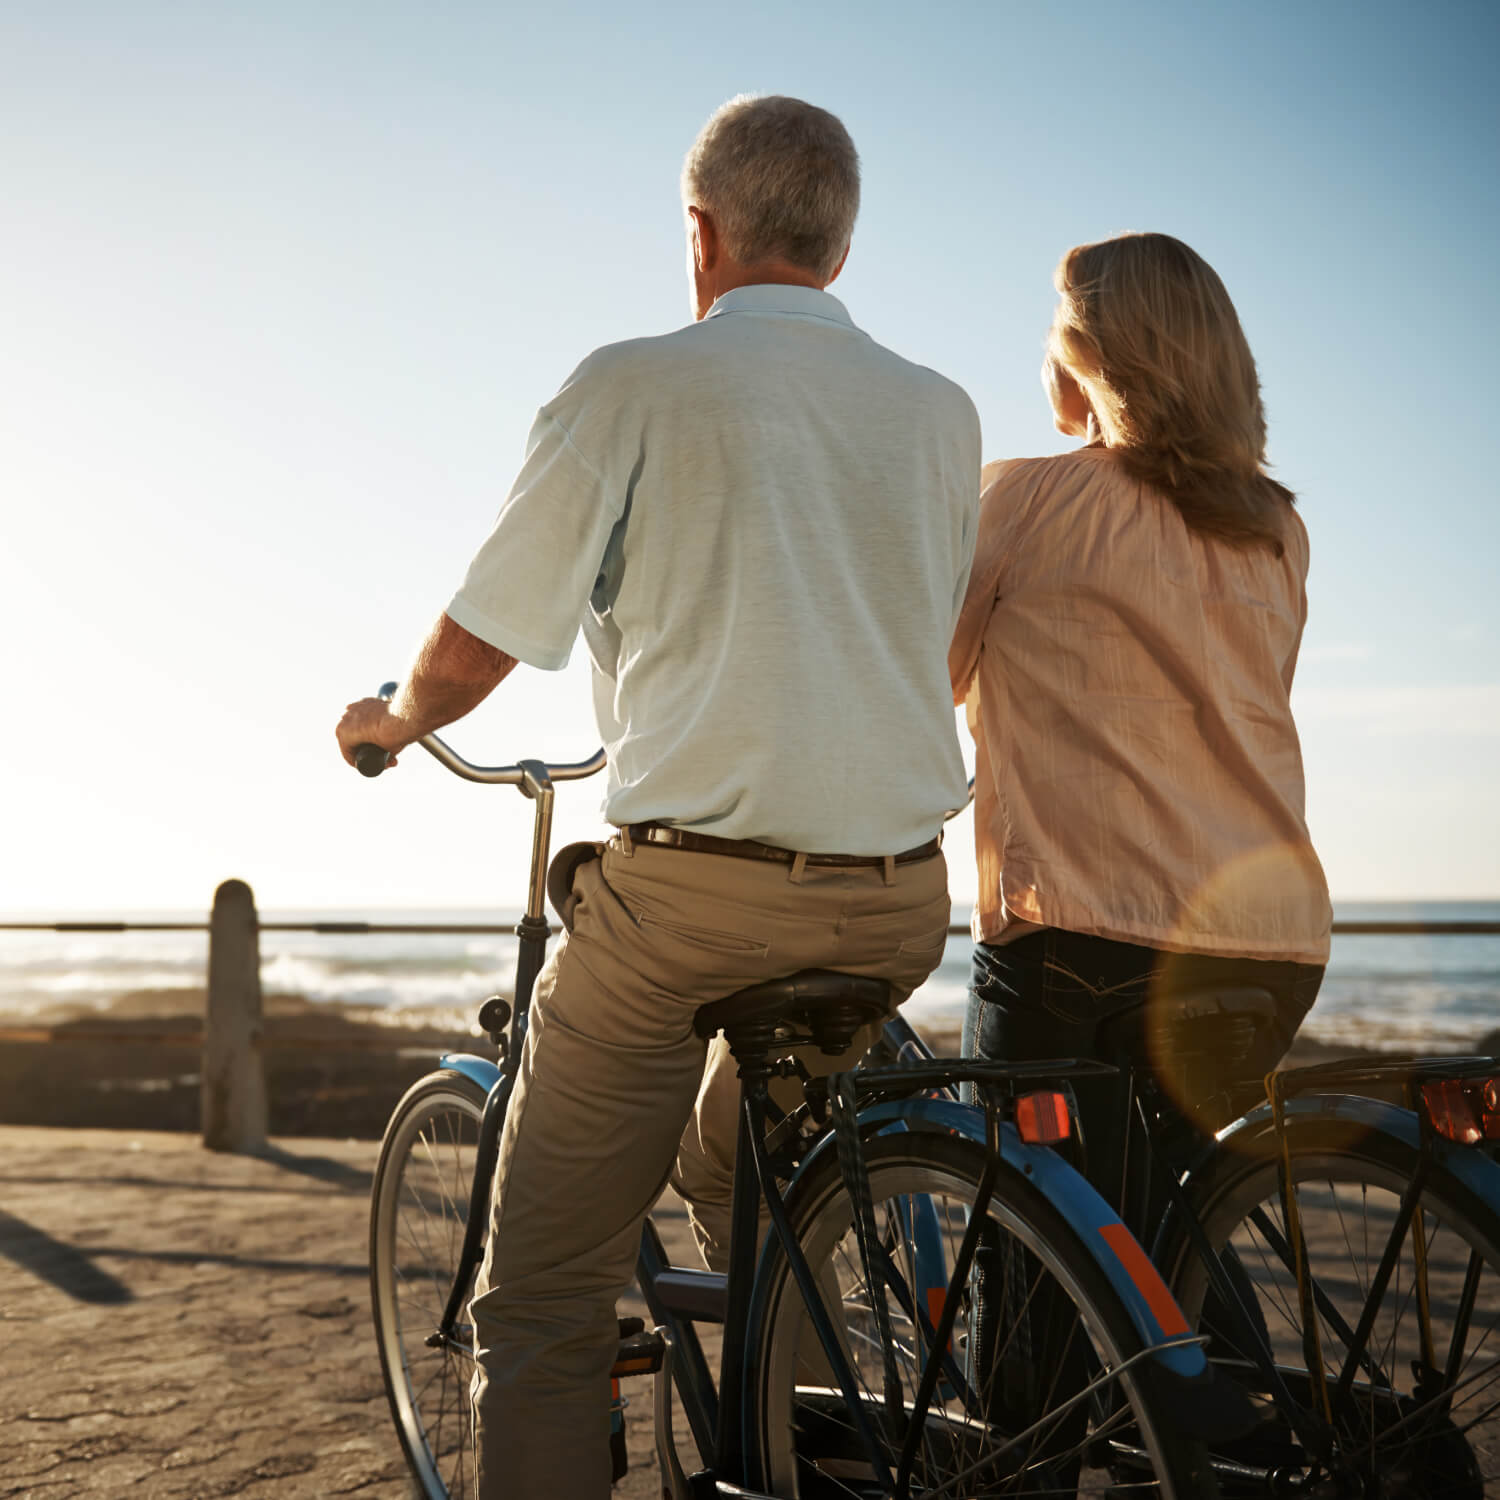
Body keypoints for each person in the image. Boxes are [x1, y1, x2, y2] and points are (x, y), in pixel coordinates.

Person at [337, 94, 980, 1498]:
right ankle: (785, 1444)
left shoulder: (635, 384)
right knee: (749, 1187)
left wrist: (397, 716)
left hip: (694, 901)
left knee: (542, 1297)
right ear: (841, 240)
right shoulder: (941, 411)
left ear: (701, 232)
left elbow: (485, 631)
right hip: (899, 906)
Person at [949, 231, 1331, 1210]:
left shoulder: (1023, 500)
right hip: (1267, 940)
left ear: (1088, 357)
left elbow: (929, 675)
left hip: (1080, 933)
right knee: (1163, 1239)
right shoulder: (1277, 530)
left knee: (1037, 1272)